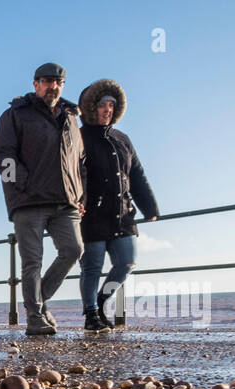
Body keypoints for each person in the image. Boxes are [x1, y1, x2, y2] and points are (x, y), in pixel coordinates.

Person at [0, 62, 86, 336]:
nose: (52, 86)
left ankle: (38, 303)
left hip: (65, 200)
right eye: (46, 81)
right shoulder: (15, 114)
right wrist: (21, 184)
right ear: (35, 84)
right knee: (32, 260)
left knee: (73, 250)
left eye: (58, 82)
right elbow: (1, 157)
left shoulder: (70, 118)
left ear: (62, 86)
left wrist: (80, 194)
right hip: (28, 201)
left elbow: (80, 161)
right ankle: (34, 316)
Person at [77, 79, 159, 331]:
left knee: (126, 262)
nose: (107, 110)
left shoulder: (122, 138)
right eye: (103, 105)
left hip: (122, 214)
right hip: (90, 215)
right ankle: (91, 315)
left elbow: (137, 174)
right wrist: (76, 203)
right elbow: (70, 174)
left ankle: (101, 301)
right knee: (92, 265)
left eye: (112, 105)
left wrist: (150, 208)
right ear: (91, 107)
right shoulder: (78, 137)